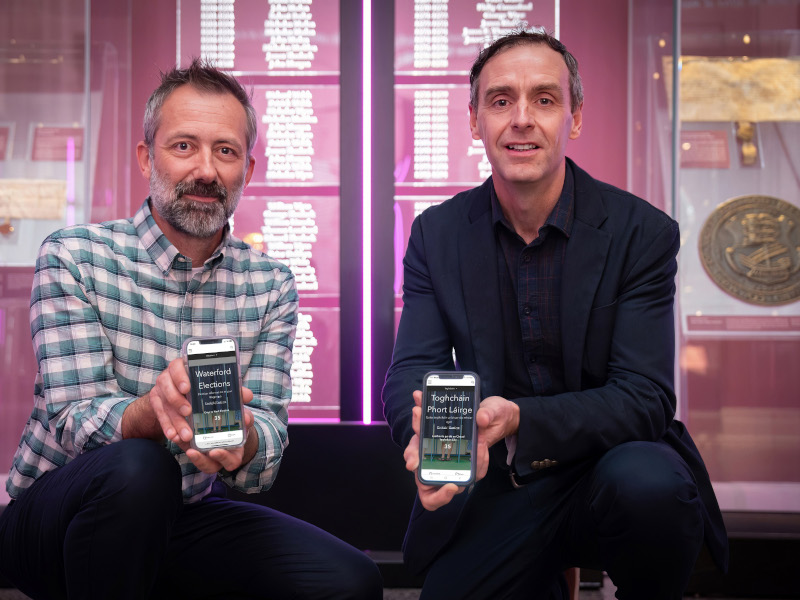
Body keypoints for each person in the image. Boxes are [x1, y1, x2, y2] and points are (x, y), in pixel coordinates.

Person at [0, 59, 382, 600]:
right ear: (146, 158)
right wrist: (152, 411)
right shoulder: (75, 256)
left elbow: (264, 457)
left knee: (349, 581)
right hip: (52, 521)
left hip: (177, 515)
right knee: (140, 466)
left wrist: (244, 441)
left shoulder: (270, 284)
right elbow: (72, 420)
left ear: (247, 171)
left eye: (224, 151)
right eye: (183, 147)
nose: (205, 169)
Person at [382, 29, 729, 599]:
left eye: (544, 99)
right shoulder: (436, 234)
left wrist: (518, 418)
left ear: (574, 118)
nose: (522, 119)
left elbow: (645, 398)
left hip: (610, 468)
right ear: (475, 121)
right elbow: (409, 371)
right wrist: (424, 433)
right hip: (497, 478)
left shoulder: (641, 233)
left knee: (649, 485)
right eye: (500, 101)